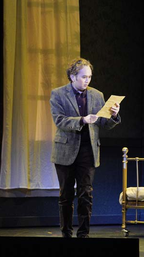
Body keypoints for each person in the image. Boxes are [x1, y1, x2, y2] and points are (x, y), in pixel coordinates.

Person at [50, 58, 121, 238]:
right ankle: (66, 232)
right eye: (83, 77)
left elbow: (104, 123)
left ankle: (84, 234)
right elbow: (59, 120)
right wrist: (82, 120)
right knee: (66, 195)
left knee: (86, 194)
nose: (87, 80)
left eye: (89, 77)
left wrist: (114, 115)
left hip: (88, 151)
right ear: (73, 77)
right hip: (65, 151)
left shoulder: (97, 95)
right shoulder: (58, 94)